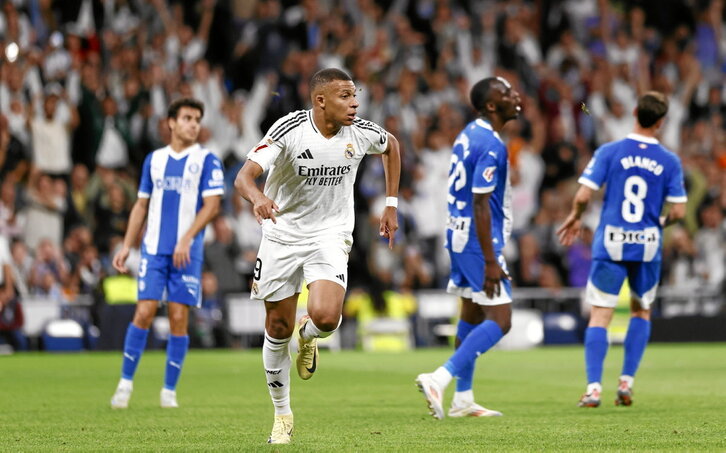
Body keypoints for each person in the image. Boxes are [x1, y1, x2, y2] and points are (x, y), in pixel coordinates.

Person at [234, 68, 400, 444]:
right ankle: (282, 415)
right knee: (277, 327)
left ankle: (308, 335)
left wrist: (390, 203)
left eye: (355, 94)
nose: (354, 102)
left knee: (326, 317)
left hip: (330, 233)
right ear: (320, 100)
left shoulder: (362, 131)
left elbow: (392, 145)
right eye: (345, 95)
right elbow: (244, 177)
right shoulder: (289, 129)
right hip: (282, 233)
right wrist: (258, 197)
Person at [556, 91, 687, 407]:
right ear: (661, 122)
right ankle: (626, 383)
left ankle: (593, 388)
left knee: (600, 315)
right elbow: (680, 213)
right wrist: (659, 223)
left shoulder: (609, 151)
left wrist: (575, 218)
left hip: (612, 241)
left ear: (634, 113)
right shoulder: (669, 161)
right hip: (646, 246)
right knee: (641, 311)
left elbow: (584, 196)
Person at [415, 76, 522, 419]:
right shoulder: (491, 144)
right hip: (477, 238)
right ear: (491, 105)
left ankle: (463, 398)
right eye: (506, 94)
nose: (515, 96)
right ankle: (439, 378)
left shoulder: (467, 135)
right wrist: (491, 259)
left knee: (472, 314)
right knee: (501, 320)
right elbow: (481, 202)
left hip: (458, 233)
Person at [109, 98, 224, 409]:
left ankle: (169, 391)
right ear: (171, 122)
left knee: (177, 318)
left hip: (187, 253)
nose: (193, 124)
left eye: (197, 119)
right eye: (187, 118)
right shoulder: (154, 160)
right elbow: (141, 205)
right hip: (154, 250)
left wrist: (186, 238)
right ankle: (125, 384)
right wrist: (127, 245)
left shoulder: (207, 159)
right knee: (144, 312)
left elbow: (212, 206)